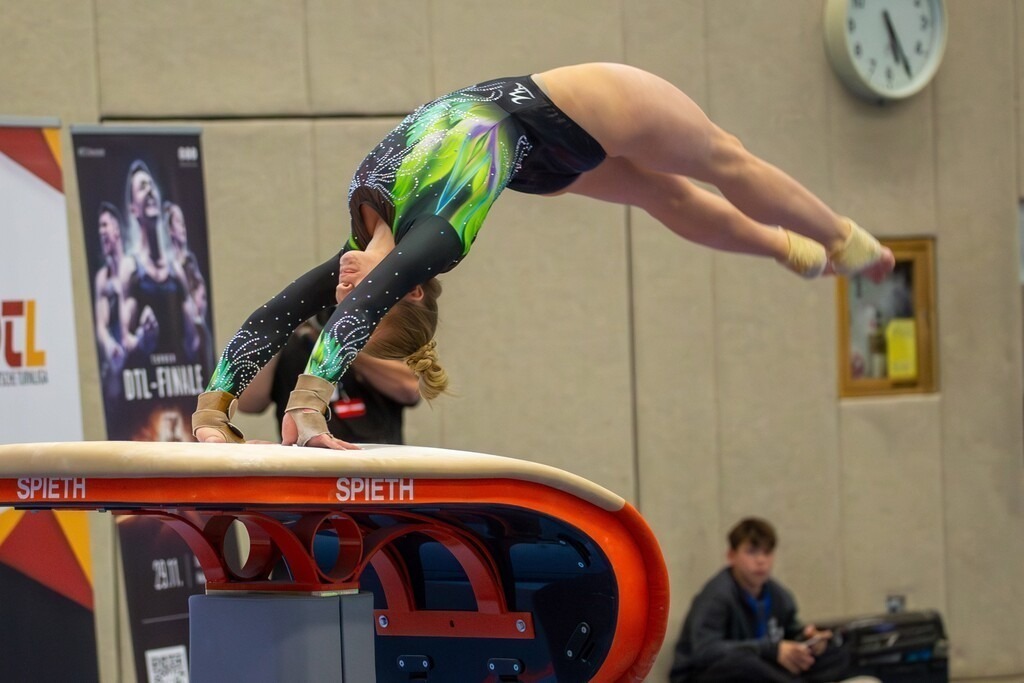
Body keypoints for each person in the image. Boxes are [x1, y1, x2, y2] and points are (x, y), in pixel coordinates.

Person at [192, 63, 896, 449]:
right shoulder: (441, 235)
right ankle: (805, 246)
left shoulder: (357, 243)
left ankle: (835, 236)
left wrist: (215, 405)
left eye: (349, 304)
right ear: (406, 291)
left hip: (569, 105)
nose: (343, 295)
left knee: (722, 160)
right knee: (676, 193)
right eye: (360, 304)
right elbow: (353, 313)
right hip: (551, 138)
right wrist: (307, 407)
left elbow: (274, 313)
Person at [669, 518, 875, 683]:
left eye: (767, 552)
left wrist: (809, 640)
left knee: (837, 653)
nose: (761, 560)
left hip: (765, 666)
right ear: (731, 556)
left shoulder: (778, 595)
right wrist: (770, 649)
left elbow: (790, 632)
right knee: (744, 664)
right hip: (708, 674)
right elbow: (705, 651)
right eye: (752, 552)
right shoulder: (717, 596)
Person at [237, 307, 421, 444]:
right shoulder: (293, 347)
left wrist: (343, 346)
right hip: (308, 468)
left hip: (374, 465)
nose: (333, 323)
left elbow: (410, 390)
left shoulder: (377, 340)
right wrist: (282, 331)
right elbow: (247, 404)